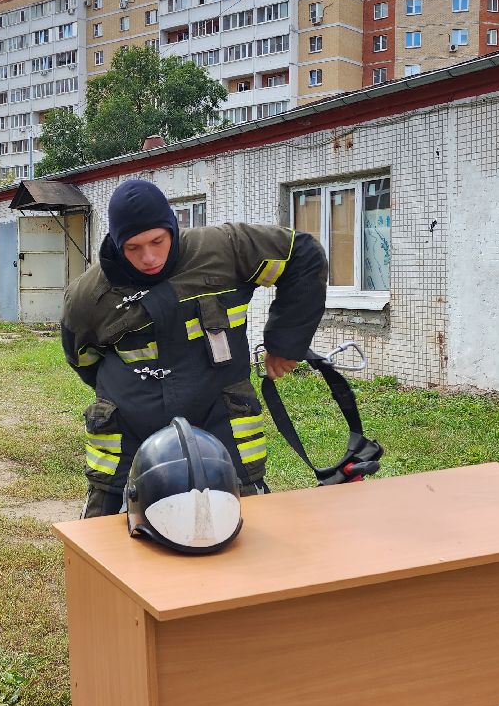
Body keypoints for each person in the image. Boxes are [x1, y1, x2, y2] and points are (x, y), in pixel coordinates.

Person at [61, 178, 326, 518]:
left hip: (221, 417)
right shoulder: (88, 295)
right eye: (133, 247)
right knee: (105, 540)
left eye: (158, 240)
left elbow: (302, 255)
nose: (149, 257)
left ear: (173, 227)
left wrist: (286, 343)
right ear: (116, 242)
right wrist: (130, 389)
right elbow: (81, 358)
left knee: (245, 530)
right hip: (127, 431)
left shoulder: (223, 249)